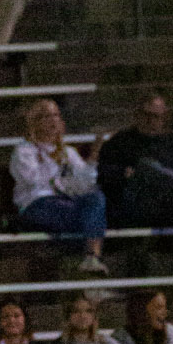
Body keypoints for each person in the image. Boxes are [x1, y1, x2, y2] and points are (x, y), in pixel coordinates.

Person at [96, 92, 173, 273]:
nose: (152, 121)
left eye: (158, 117)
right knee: (146, 170)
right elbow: (103, 176)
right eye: (148, 115)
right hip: (134, 206)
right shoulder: (119, 144)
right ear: (137, 115)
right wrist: (124, 174)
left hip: (168, 206)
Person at [9, 97, 108, 275]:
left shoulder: (68, 152)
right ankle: (85, 254)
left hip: (66, 202)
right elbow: (32, 180)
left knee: (96, 198)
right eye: (47, 116)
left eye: (56, 115)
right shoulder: (24, 151)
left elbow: (84, 183)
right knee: (88, 219)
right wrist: (55, 163)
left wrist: (94, 155)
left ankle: (92, 257)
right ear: (35, 122)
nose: (53, 120)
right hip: (37, 204)